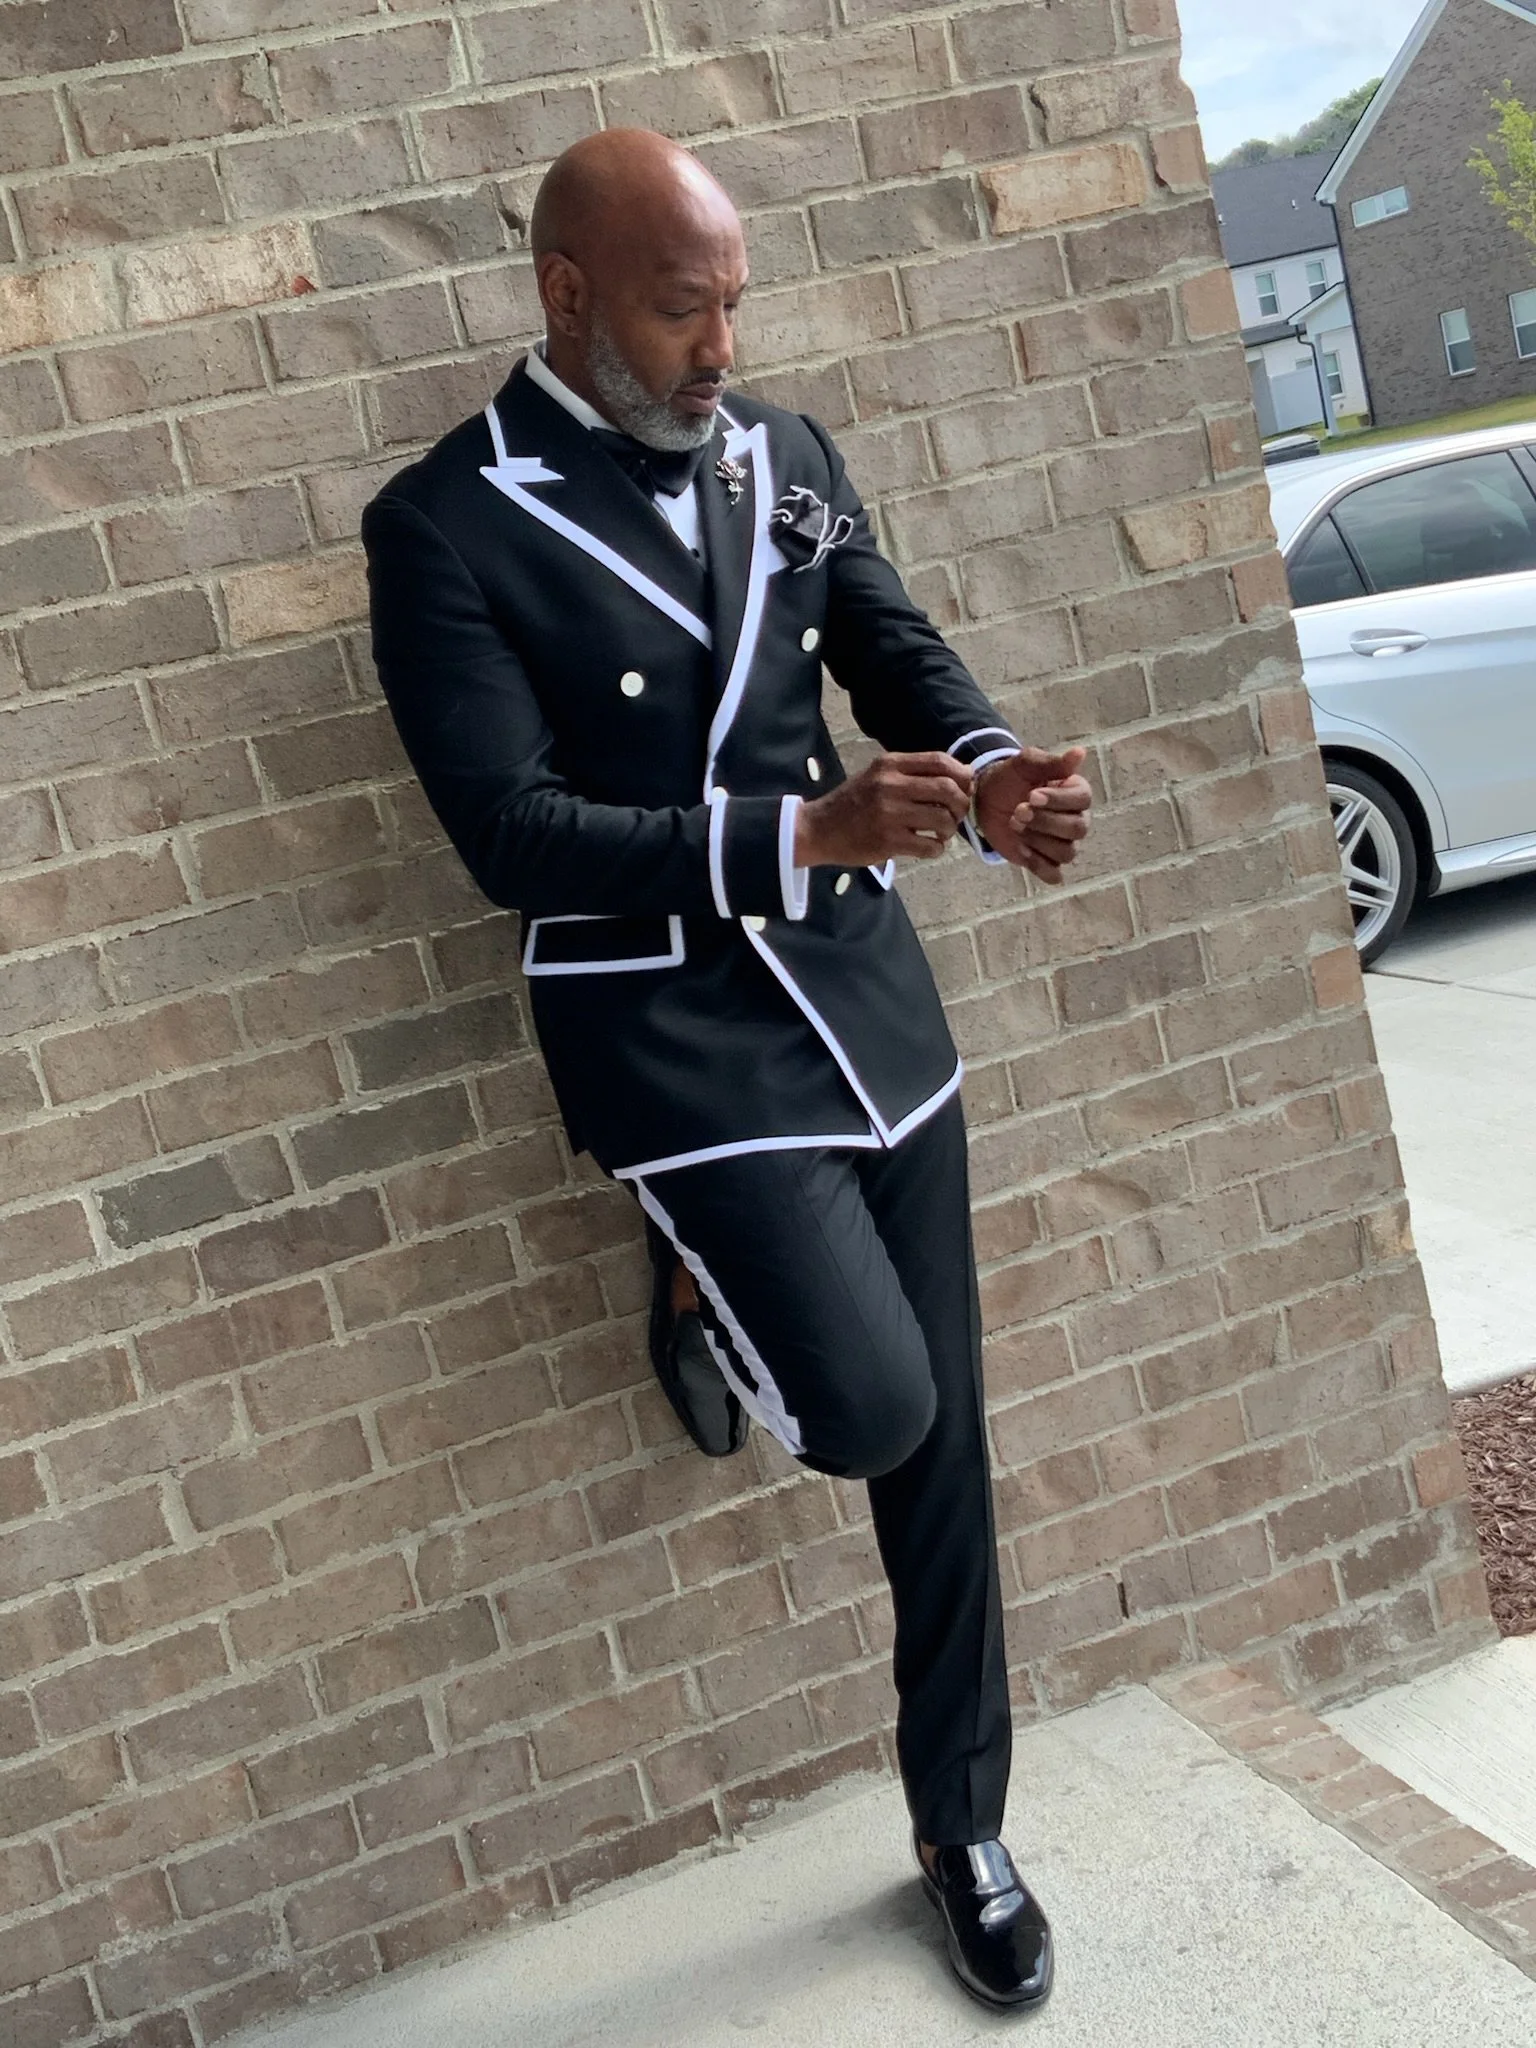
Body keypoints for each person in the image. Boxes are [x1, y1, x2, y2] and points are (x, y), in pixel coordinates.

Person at [360, 127, 1092, 2013]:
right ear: (570, 296)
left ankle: (961, 1825)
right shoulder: (445, 524)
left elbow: (888, 642)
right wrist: (801, 834)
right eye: (684, 308)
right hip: (671, 1035)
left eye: (735, 301)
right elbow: (512, 837)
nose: (719, 343)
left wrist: (993, 767)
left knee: (952, 1451)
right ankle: (698, 1264)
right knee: (868, 1412)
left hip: (865, 1008)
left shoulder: (786, 461)